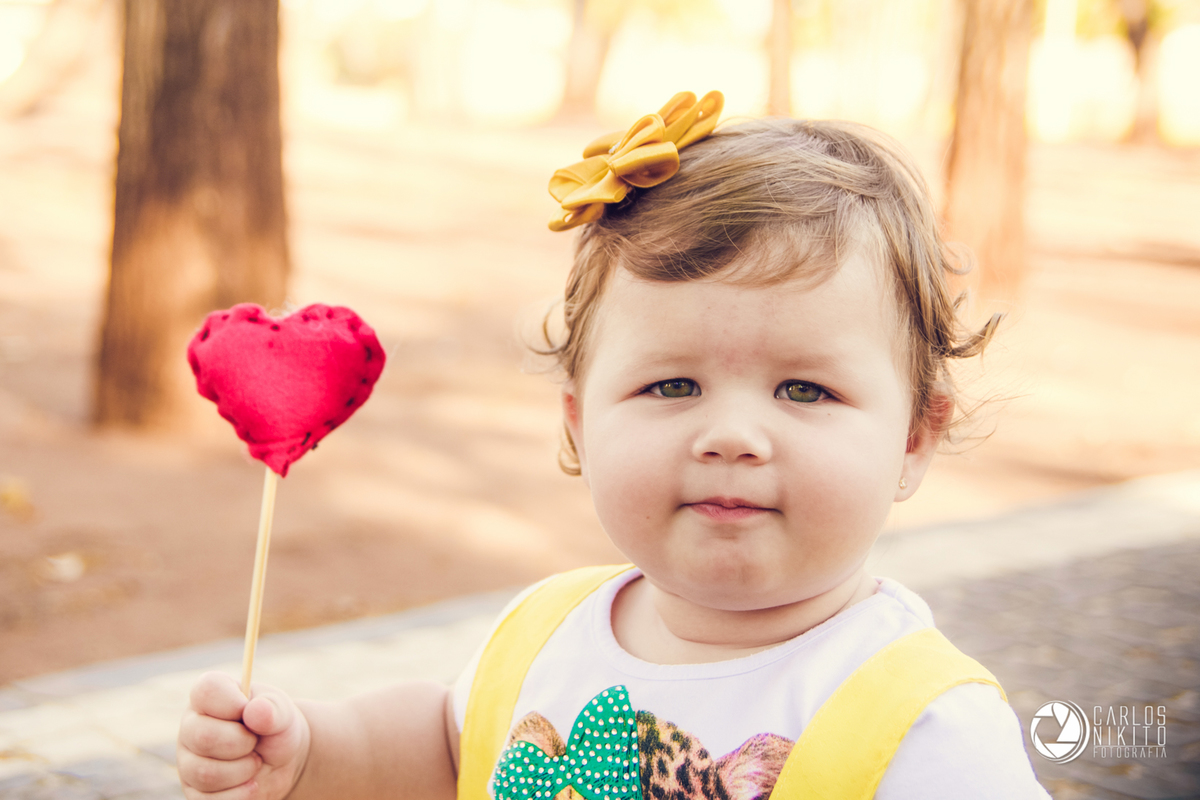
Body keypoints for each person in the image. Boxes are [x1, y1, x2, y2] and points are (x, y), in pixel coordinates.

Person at [176, 92, 1050, 800]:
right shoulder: (542, 635)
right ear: (578, 424)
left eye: (805, 390)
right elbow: (451, 748)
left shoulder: (923, 728)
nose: (734, 436)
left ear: (911, 438)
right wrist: (312, 753)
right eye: (672, 386)